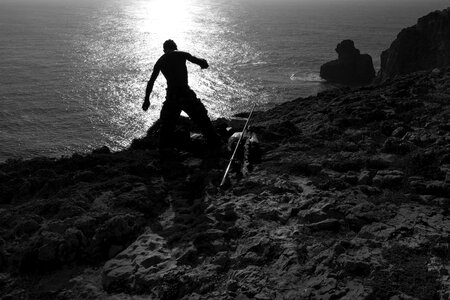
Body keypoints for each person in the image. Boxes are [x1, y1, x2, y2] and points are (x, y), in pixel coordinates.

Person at [142, 39, 221, 156]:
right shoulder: (182, 54)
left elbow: (151, 82)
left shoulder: (160, 61)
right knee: (201, 118)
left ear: (164, 50)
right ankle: (213, 142)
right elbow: (199, 61)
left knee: (167, 125)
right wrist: (203, 63)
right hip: (185, 94)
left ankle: (165, 150)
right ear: (175, 47)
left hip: (172, 97)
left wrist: (147, 99)